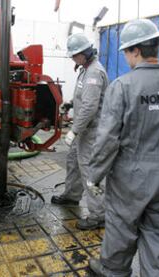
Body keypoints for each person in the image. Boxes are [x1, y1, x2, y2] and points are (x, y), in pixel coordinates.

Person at [87, 19, 159, 276]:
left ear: (136, 50)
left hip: (131, 178)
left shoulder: (123, 87)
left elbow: (107, 139)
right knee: (158, 233)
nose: (126, 57)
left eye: (126, 51)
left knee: (121, 227)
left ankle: (113, 271)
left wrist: (95, 175)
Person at [51, 33, 109, 230]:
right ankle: (72, 195)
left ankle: (99, 215)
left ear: (84, 53)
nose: (72, 59)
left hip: (91, 133)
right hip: (84, 130)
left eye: (74, 55)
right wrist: (69, 104)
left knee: (91, 173)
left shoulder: (94, 73)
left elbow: (90, 107)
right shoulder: (85, 69)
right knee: (73, 162)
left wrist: (74, 131)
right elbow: (83, 98)